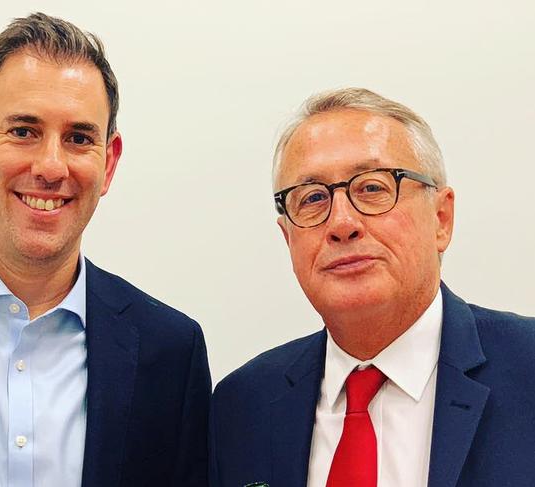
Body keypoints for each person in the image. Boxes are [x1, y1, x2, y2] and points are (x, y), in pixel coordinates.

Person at [0, 12, 210, 486]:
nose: (52, 166)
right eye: (24, 131)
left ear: (110, 162)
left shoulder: (170, 353)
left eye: (78, 138)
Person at [209, 88, 535, 487]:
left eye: (373, 188)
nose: (342, 223)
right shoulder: (243, 407)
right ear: (288, 238)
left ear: (441, 218)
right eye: (312, 198)